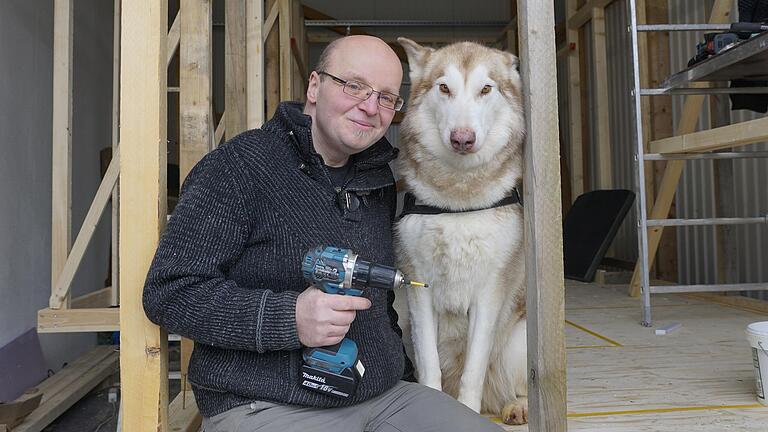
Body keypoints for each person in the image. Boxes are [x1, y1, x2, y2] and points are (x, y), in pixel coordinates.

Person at [142, 35, 502, 432]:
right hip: (263, 404)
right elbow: (169, 292)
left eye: (386, 97)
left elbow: (381, 307)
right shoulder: (237, 168)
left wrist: (404, 374)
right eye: (354, 86)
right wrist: (287, 317)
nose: (370, 107)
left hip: (382, 396)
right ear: (314, 86)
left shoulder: (377, 180)